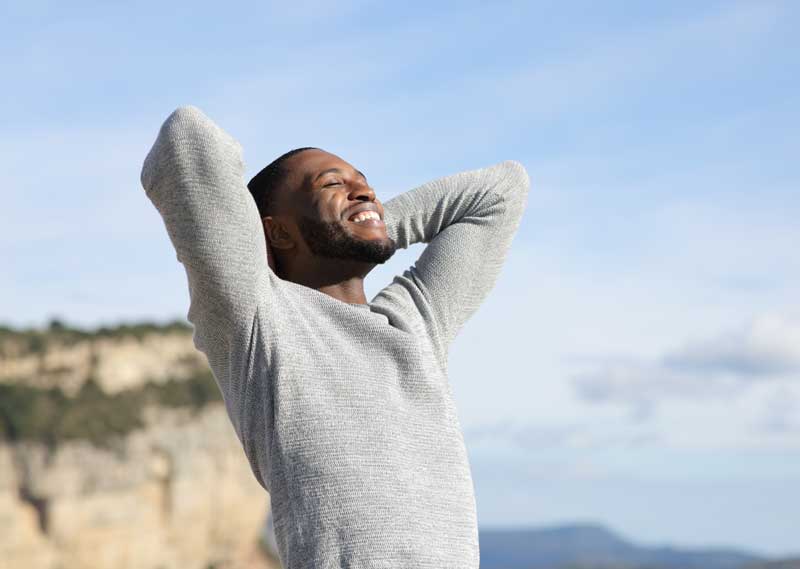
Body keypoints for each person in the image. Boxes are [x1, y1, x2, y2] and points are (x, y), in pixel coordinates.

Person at [141, 105, 530, 569]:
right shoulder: (257, 317)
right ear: (277, 232)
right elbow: (186, 138)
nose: (364, 190)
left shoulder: (415, 323)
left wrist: (371, 225)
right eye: (332, 184)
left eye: (363, 181)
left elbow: (502, 191)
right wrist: (320, 235)